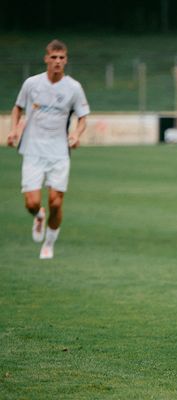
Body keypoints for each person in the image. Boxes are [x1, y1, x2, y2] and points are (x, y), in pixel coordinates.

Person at [7, 39, 90, 260]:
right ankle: (38, 215)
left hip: (59, 152)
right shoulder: (32, 84)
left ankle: (49, 243)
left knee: (56, 201)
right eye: (53, 57)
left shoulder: (73, 88)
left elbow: (83, 118)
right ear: (46, 59)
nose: (57, 61)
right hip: (32, 149)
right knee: (32, 202)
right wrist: (14, 129)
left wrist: (75, 134)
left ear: (66, 61)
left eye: (61, 58)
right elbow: (17, 108)